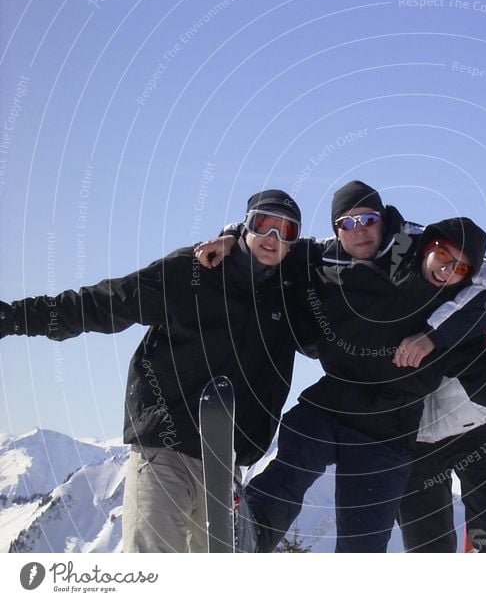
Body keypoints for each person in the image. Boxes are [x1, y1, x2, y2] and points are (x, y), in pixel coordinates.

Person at [196, 181, 486, 551]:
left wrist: (431, 336)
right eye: (347, 223)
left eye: (368, 219)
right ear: (336, 231)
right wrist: (232, 235)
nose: (359, 229)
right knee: (292, 465)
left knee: (363, 545)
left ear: (384, 218)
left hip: (388, 428)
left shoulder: (418, 247)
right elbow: (270, 241)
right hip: (333, 402)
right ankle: (250, 534)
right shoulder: (322, 257)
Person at [0, 190, 312, 552]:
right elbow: (106, 302)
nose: (273, 238)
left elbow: (343, 260)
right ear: (246, 226)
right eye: (263, 225)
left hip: (226, 464)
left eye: (286, 230)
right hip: (166, 445)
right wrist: (15, 318)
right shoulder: (193, 272)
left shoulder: (292, 297)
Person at [397, 261, 486, 553]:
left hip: (476, 426)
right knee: (427, 553)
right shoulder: (384, 287)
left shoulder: (475, 282)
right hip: (413, 438)